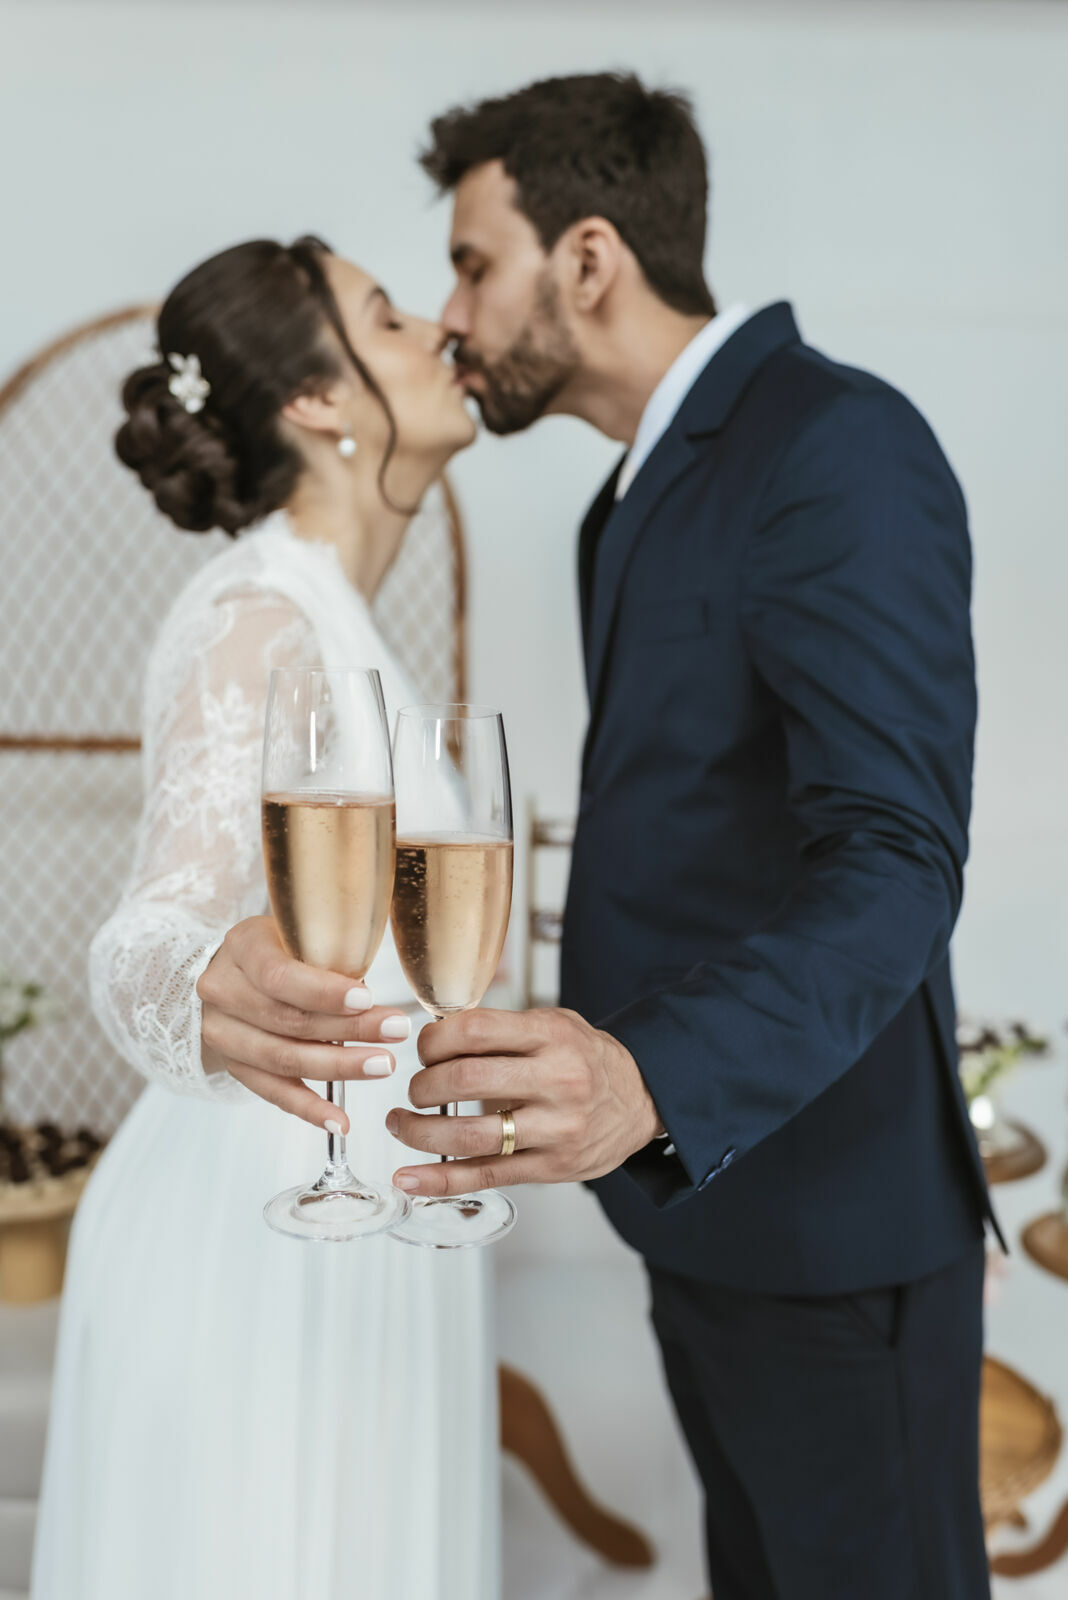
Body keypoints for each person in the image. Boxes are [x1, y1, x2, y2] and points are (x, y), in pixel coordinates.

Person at [382, 74, 1000, 1598]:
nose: (451, 315)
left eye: (473, 264)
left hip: (834, 1233)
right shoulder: (633, 495)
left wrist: (654, 1077)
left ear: (589, 259)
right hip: (700, 1208)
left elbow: (895, 859)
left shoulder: (835, 443)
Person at [31, 236, 498, 1600]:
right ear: (318, 399)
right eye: (389, 316)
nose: (439, 332)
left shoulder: (340, 621)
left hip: (376, 1224)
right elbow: (149, 932)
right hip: (267, 1240)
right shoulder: (255, 616)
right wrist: (196, 981)